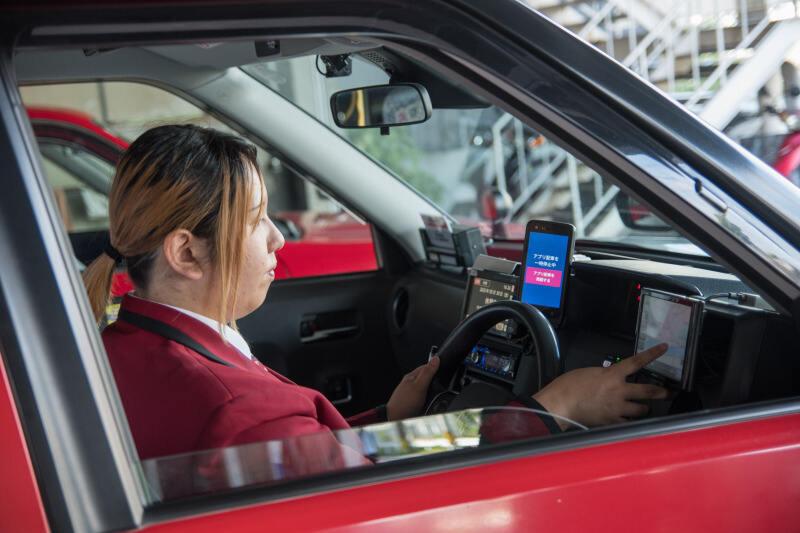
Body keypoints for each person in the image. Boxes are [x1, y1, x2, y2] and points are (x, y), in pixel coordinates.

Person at [84, 124, 668, 463]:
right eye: (256, 220)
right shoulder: (237, 409)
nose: (278, 238)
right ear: (186, 253)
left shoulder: (118, 348)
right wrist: (555, 409)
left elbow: (311, 459)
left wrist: (390, 418)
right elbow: (373, 497)